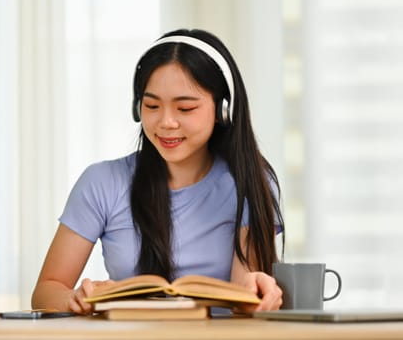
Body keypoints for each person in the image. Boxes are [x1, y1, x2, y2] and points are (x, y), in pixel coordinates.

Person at [32, 28, 285, 314]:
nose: (166, 122)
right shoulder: (102, 182)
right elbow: (46, 289)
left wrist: (258, 296)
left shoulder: (250, 182)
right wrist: (72, 299)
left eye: (185, 108)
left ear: (222, 109)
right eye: (152, 105)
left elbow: (244, 297)